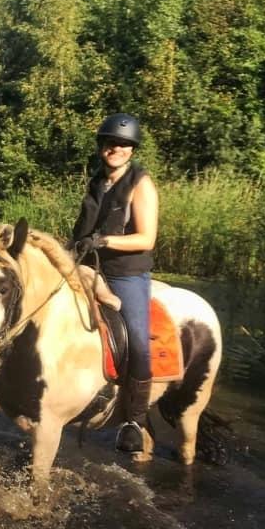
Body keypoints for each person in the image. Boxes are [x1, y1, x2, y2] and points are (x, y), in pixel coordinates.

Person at [70, 113, 159, 454]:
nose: (116, 148)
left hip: (126, 274)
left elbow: (146, 238)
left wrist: (104, 241)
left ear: (132, 149)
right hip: (88, 267)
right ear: (101, 146)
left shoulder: (141, 183)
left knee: (138, 340)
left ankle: (134, 421)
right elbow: (82, 229)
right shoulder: (97, 182)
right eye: (111, 143)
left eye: (124, 144)